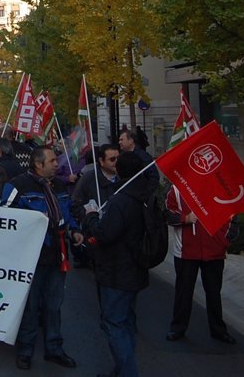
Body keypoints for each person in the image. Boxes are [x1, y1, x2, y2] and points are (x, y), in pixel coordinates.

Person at [1, 146, 82, 371]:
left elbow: (67, 212)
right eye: (53, 161)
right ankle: (25, 351)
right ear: (38, 164)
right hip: (31, 257)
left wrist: (74, 230)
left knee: (54, 305)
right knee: (30, 305)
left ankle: (54, 348)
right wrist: (32, 219)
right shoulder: (18, 185)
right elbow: (6, 215)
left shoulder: (59, 185)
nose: (57, 164)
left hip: (57, 254)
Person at [82, 151, 150, 377]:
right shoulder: (144, 195)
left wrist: (91, 217)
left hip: (117, 270)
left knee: (114, 323)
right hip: (134, 268)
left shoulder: (121, 199)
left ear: (120, 170)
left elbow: (106, 233)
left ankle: (128, 371)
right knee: (126, 321)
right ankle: (123, 368)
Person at [164, 187, 238, 345]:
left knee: (214, 293)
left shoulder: (220, 187)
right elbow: (167, 214)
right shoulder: (177, 188)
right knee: (183, 292)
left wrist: (223, 242)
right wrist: (185, 218)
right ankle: (177, 328)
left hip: (214, 251)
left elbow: (233, 217)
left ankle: (218, 330)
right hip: (186, 250)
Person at [71, 144, 121, 268]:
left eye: (118, 158)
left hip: (118, 236)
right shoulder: (88, 179)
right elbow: (76, 204)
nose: (116, 162)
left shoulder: (123, 178)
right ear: (101, 161)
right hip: (96, 235)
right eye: (112, 159)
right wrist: (89, 217)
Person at [119, 129, 159, 197]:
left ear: (131, 140)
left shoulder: (142, 156)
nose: (119, 142)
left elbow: (153, 177)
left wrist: (145, 195)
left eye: (122, 139)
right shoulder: (122, 156)